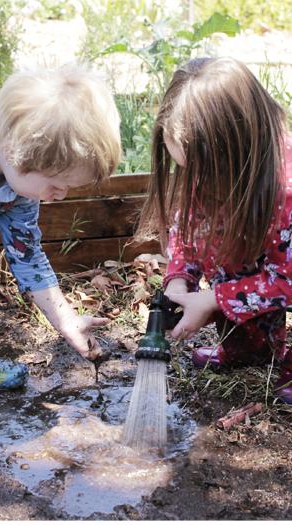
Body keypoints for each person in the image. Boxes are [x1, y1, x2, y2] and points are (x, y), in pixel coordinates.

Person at [0, 63, 121, 437]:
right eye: (57, 184)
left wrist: (67, 321)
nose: (60, 196)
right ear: (15, 150)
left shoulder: (21, 177)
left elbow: (27, 255)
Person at [138, 56, 292, 404]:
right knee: (228, 250)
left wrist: (212, 299)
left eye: (199, 171)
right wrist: (179, 282)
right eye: (185, 170)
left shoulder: (286, 191)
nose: (195, 182)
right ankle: (251, 350)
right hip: (266, 248)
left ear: (237, 152)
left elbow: (287, 279)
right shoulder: (210, 170)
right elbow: (190, 231)